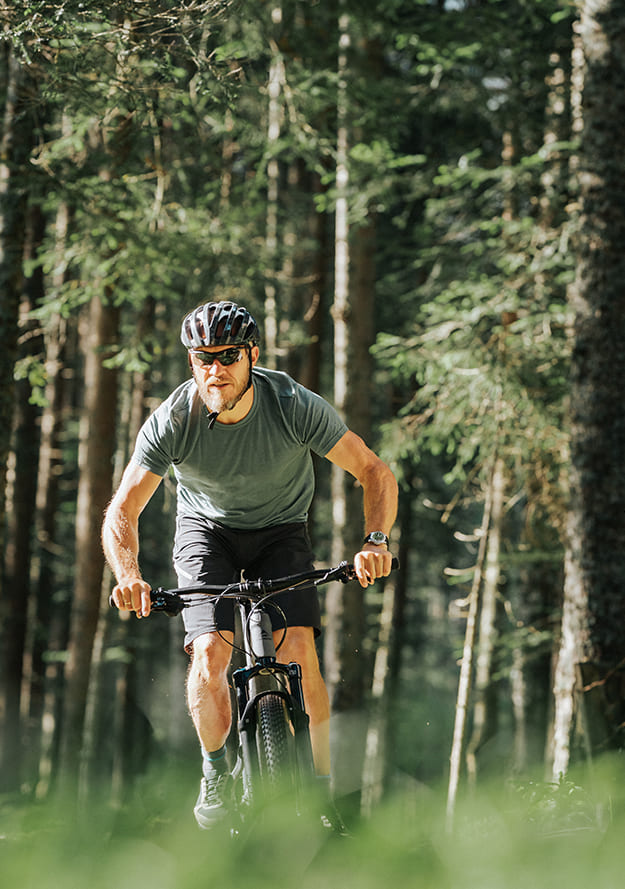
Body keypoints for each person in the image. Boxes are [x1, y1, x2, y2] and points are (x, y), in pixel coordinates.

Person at [102, 300, 398, 828]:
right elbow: (122, 508)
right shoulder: (173, 419)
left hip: (281, 528)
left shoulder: (291, 404)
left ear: (251, 355)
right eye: (202, 358)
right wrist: (129, 576)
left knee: (300, 653)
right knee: (210, 656)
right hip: (205, 534)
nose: (215, 369)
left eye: (228, 355)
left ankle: (325, 794)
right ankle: (215, 771)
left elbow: (373, 471)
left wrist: (375, 541)